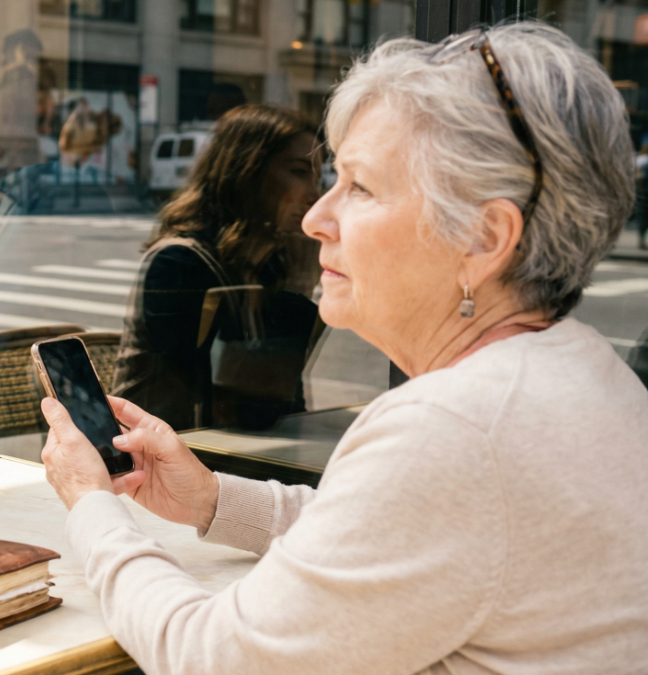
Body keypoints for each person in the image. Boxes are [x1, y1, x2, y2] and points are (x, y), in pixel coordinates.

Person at [40, 22, 648, 673]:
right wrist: (211, 498)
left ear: (483, 237)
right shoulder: (586, 368)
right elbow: (391, 530)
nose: (315, 216)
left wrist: (94, 507)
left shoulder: (452, 428)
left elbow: (214, 657)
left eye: (359, 187)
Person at [111, 104, 323, 431]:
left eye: (317, 176)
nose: (315, 194)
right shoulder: (179, 264)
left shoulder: (271, 263)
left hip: (242, 453)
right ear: (248, 172)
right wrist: (295, 294)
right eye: (299, 172)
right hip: (169, 457)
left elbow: (286, 404)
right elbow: (221, 403)